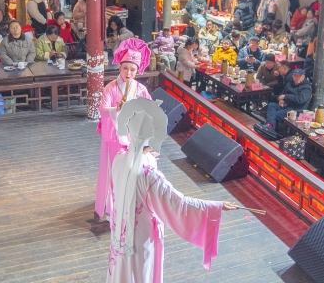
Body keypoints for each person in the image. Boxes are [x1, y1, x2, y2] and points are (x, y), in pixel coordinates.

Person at [107, 98, 235, 282]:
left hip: (120, 232)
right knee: (140, 273)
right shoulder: (149, 176)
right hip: (140, 236)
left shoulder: (119, 158)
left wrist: (147, 155)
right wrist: (216, 206)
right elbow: (179, 204)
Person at [95, 38, 152, 219]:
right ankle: (114, 208)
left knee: (133, 170)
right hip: (115, 137)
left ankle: (130, 203)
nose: (128, 73)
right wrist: (116, 109)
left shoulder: (140, 89)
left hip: (134, 136)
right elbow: (102, 109)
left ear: (137, 70)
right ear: (119, 67)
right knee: (116, 171)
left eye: (132, 69)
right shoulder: (110, 88)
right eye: (125, 68)